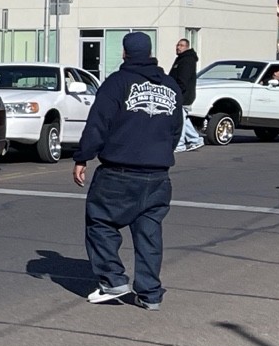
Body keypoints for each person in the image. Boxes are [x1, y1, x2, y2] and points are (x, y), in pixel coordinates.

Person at [73, 31, 185, 310]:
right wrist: (161, 153)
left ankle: (113, 280)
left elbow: (98, 124)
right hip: (158, 174)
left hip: (119, 171)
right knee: (149, 232)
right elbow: (176, 129)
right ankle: (150, 294)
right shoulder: (170, 86)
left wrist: (82, 158)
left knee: (100, 221)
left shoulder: (117, 83)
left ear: (125, 53)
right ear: (149, 53)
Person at [169, 39, 198, 109]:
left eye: (181, 45)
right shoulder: (180, 59)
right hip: (177, 97)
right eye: (177, 45)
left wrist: (174, 94)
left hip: (183, 98)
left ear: (187, 47)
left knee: (182, 118)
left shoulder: (187, 60)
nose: (178, 47)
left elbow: (183, 80)